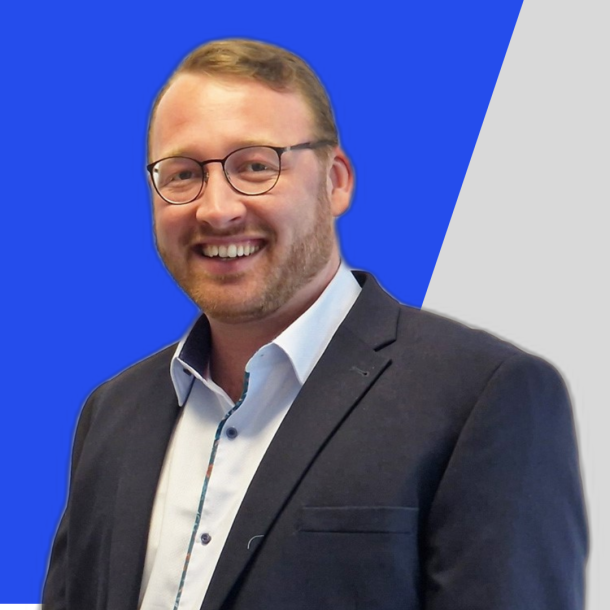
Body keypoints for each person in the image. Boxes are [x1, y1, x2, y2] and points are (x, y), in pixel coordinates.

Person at [43, 39, 587, 610]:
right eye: (182, 175)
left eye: (256, 166)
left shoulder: (484, 397)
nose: (217, 209)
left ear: (336, 181)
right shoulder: (111, 413)